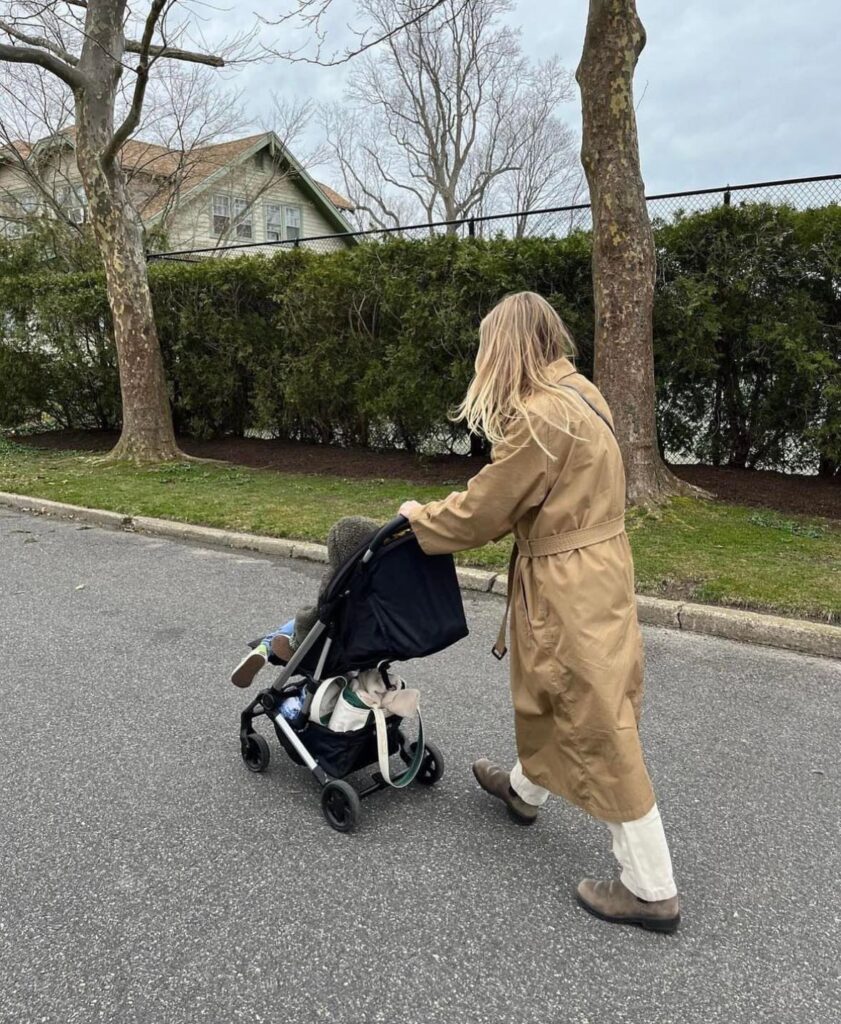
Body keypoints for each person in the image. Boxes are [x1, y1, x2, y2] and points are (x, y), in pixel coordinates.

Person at [399, 291, 680, 933]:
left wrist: (419, 520)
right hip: (599, 565)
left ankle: (650, 887)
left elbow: (481, 511)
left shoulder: (540, 417)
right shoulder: (581, 392)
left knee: (598, 718)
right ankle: (524, 792)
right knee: (563, 694)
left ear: (505, 346)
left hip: (568, 580)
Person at [230, 516, 379, 688]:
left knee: (298, 621)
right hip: (369, 645)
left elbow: (316, 616)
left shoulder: (336, 580)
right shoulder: (384, 584)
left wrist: (304, 617)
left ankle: (264, 648)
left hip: (324, 646)